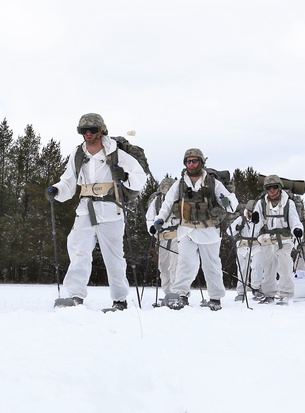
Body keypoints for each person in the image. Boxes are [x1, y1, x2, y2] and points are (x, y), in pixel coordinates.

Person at [47, 113, 147, 311]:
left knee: (114, 256)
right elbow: (68, 181)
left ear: (102, 130)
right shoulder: (78, 154)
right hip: (85, 208)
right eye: (84, 130)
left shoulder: (116, 153)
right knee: (78, 250)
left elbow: (140, 177)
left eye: (92, 130)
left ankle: (120, 300)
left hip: (111, 209)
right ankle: (75, 296)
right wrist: (57, 190)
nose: (88, 134)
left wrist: (124, 175)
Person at [152, 148, 238, 311]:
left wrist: (227, 201)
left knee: (211, 264)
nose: (191, 164)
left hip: (209, 230)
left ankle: (215, 298)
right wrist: (160, 219)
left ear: (201, 162)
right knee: (185, 264)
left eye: (194, 161)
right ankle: (181, 295)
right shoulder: (180, 183)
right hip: (186, 230)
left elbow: (231, 205)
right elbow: (168, 203)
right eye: (188, 161)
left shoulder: (213, 183)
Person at [253, 175, 303, 305]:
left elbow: (294, 220)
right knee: (268, 267)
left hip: (284, 239)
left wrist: (297, 229)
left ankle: (286, 293)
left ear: (279, 188)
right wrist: (254, 221)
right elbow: (257, 222)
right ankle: (269, 293)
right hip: (267, 239)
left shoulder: (288, 203)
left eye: (275, 187)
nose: (272, 190)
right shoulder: (261, 203)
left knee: (284, 265)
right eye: (269, 188)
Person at [145, 176, 179, 306]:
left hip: (176, 237)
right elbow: (149, 217)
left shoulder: (179, 201)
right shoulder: (157, 201)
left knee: (175, 266)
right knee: (163, 267)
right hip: (162, 238)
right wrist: (152, 228)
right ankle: (167, 293)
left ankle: (177, 294)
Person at [227, 200, 263, 302]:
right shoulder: (241, 219)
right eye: (251, 211)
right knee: (242, 269)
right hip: (243, 246)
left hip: (256, 246)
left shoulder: (261, 219)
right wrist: (237, 228)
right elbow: (229, 231)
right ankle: (241, 292)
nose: (252, 213)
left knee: (257, 266)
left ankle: (256, 288)